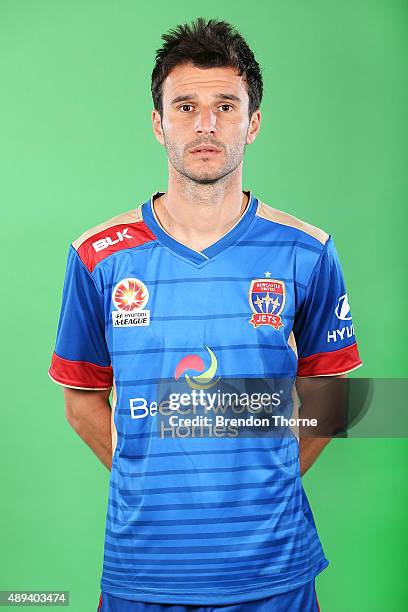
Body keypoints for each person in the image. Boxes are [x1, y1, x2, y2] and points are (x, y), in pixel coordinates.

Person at [48, 17, 362, 612]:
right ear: (158, 123)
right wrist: (148, 472)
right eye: (186, 106)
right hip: (143, 569)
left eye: (226, 105)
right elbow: (82, 400)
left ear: (254, 122)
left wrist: (267, 478)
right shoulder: (97, 257)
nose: (206, 125)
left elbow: (328, 392)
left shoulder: (307, 251)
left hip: (273, 572)